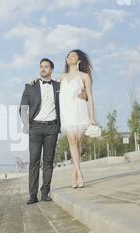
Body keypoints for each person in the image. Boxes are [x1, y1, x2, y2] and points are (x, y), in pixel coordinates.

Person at [19, 58, 60, 205]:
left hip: (52, 128)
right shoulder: (30, 86)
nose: (43, 69)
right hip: (35, 128)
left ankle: (45, 192)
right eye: (41, 66)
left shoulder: (58, 86)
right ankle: (32, 195)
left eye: (46, 66)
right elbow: (23, 108)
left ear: (51, 69)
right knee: (34, 162)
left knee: (48, 161)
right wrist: (27, 125)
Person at [58, 49, 96, 188]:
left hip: (79, 111)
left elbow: (90, 97)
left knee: (78, 143)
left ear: (79, 60)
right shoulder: (61, 77)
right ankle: (79, 173)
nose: (69, 57)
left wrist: (92, 118)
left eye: (73, 55)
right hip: (66, 113)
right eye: (68, 55)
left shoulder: (85, 76)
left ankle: (75, 172)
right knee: (72, 141)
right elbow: (48, 87)